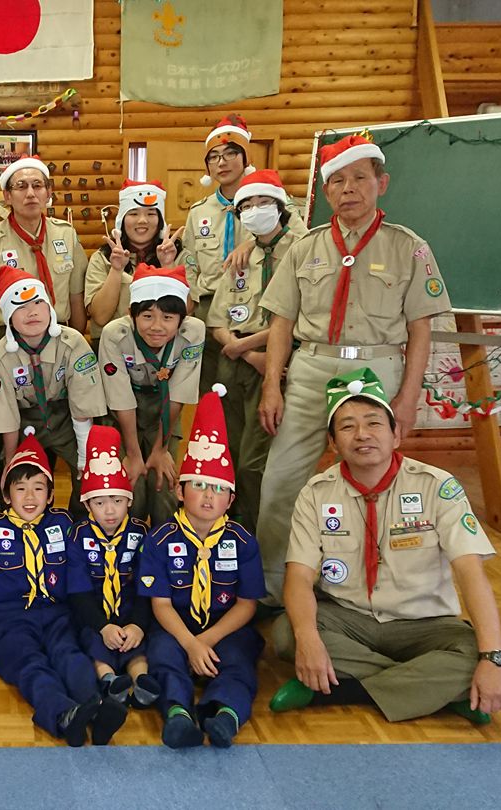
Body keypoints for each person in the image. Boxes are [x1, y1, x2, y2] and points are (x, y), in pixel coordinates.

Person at [255, 134, 451, 600]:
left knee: (373, 478)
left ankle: (367, 584)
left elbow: (421, 328)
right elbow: (281, 323)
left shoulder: (408, 248)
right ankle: (271, 587)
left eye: (360, 178)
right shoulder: (305, 248)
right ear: (326, 192)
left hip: (376, 371)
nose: (349, 188)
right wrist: (272, 386)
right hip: (311, 368)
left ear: (381, 183)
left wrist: (408, 396)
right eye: (338, 180)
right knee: (281, 480)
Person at [268, 369, 501, 724]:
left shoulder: (436, 486)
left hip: (423, 624)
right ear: (333, 443)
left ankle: (342, 690)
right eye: (348, 426)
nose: (362, 434)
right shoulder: (316, 493)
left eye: (374, 423)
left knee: (498, 658)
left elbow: (470, 573)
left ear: (396, 434)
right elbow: (298, 576)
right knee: (287, 635)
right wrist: (307, 638)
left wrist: (492, 658)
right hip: (348, 618)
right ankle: (435, 690)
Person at [0, 430, 108, 746]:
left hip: (56, 612)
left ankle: (97, 707)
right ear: (7, 495)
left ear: (51, 495)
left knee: (70, 654)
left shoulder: (63, 524)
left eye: (38, 488)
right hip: (9, 616)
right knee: (28, 662)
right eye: (20, 489)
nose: (30, 497)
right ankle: (63, 714)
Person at [138, 385, 266, 749]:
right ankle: (178, 713)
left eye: (218, 488)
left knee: (239, 661)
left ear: (231, 498)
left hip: (225, 627)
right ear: (180, 491)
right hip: (175, 626)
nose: (209, 495)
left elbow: (247, 604)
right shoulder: (159, 539)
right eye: (198, 485)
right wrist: (189, 643)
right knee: (162, 657)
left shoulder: (243, 541)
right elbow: (161, 604)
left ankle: (225, 713)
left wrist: (205, 641)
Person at [206, 169, 306, 533]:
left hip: (276, 361)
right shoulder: (242, 257)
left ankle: (258, 534)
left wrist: (249, 348)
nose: (255, 210)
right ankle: (230, 528)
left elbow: (296, 318)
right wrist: (244, 351)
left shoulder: (301, 250)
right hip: (236, 363)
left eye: (263, 202)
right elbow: (217, 318)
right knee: (229, 454)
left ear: (280, 206)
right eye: (246, 205)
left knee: (255, 461)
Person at [0, 263, 107, 517]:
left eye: (38, 303)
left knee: (90, 471)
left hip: (67, 416)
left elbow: (82, 405)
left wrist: (84, 457)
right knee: (18, 476)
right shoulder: (1, 355)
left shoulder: (72, 342)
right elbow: (7, 415)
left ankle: (79, 523)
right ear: (8, 317)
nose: (32, 312)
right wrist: (11, 459)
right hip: (24, 419)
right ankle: (28, 524)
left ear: (50, 307)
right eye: (20, 307)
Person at [97, 264, 205, 526]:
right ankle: (126, 543)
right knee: (129, 486)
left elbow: (178, 394)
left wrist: (160, 449)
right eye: (147, 316)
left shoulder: (193, 333)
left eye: (168, 318)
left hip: (164, 412)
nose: (157, 327)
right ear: (131, 314)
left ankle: (162, 543)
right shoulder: (115, 335)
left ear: (182, 319)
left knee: (163, 485)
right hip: (122, 415)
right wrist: (134, 454)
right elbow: (121, 399)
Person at [66, 425, 159, 715]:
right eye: (99, 502)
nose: (109, 511)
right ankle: (109, 680)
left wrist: (137, 625)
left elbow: (146, 587)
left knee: (139, 645)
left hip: (130, 609)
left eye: (117, 501)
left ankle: (141, 680)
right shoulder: (77, 536)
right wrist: (103, 626)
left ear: (129, 501)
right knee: (91, 641)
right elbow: (78, 592)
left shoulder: (142, 534)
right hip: (93, 612)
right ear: (87, 504)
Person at [0, 157, 88, 342]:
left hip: (59, 333)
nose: (30, 194)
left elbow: (76, 295)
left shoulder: (66, 234)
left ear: (49, 193)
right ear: (7, 196)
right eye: (21, 186)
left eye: (37, 186)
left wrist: (76, 342)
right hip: (10, 339)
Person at [180, 116, 256, 396]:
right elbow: (190, 263)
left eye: (230, 154)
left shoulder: (268, 202)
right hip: (208, 306)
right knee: (210, 390)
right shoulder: (199, 211)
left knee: (247, 387)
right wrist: (190, 303)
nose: (222, 163)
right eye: (214, 157)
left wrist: (252, 243)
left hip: (252, 304)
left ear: (245, 158)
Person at [85, 181, 185, 328]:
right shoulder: (102, 258)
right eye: (133, 213)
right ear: (122, 220)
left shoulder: (178, 254)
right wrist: (116, 269)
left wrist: (168, 264)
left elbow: (187, 310)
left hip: (166, 339)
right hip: (114, 339)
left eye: (151, 213)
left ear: (160, 220)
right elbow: (100, 317)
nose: (142, 220)